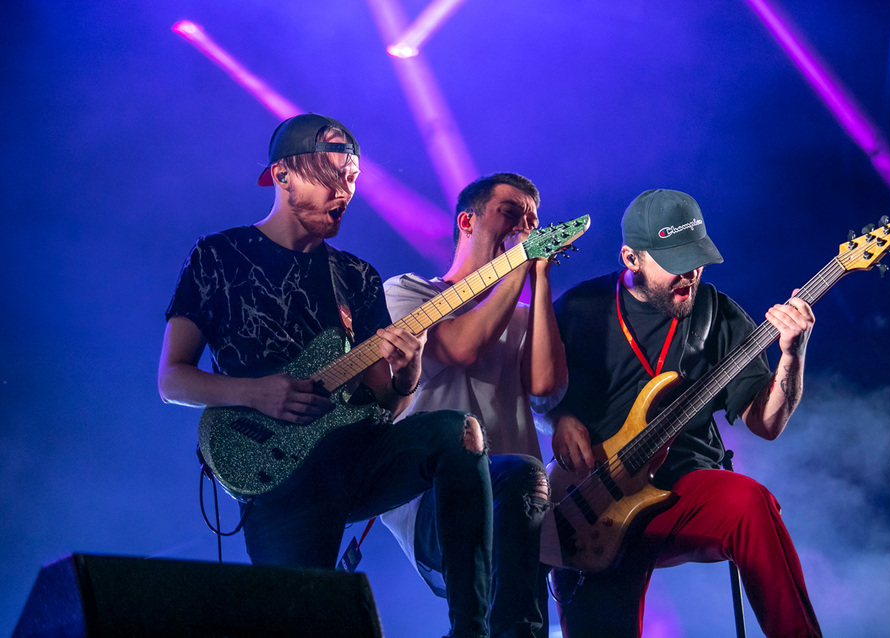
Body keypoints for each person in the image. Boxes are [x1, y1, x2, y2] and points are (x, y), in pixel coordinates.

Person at [158, 113, 494, 638]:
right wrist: (257, 393)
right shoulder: (218, 256)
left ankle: (472, 630)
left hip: (357, 458)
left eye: (353, 180)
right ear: (283, 174)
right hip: (277, 474)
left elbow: (386, 404)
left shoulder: (355, 275)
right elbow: (172, 380)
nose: (346, 192)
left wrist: (407, 375)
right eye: (332, 176)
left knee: (459, 433)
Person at [547, 189, 822, 637]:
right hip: (592, 503)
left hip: (681, 491)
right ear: (631, 258)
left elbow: (767, 424)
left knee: (750, 504)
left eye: (695, 258)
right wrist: (558, 417)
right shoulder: (580, 309)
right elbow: (531, 390)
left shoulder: (718, 315)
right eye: (675, 261)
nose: (690, 274)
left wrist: (793, 355)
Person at [380, 173, 567, 638]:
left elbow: (546, 387)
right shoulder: (409, 293)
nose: (524, 229)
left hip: (520, 504)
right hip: (435, 500)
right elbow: (462, 348)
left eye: (532, 222)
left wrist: (538, 278)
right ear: (467, 221)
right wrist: (518, 265)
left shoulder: (523, 314)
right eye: (510, 214)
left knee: (522, 627)